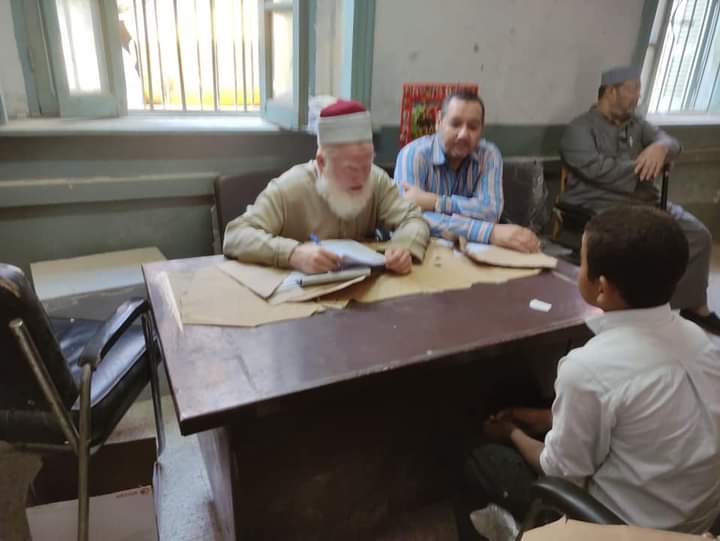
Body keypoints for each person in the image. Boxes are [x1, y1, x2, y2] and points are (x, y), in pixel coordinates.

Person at [462, 207, 720, 536]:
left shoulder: (588, 368)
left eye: (581, 263)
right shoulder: (701, 342)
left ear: (601, 288)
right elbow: (644, 413)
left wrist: (511, 432)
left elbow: (560, 474)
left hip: (621, 530)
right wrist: (546, 418)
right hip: (695, 525)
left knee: (479, 457)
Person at [559, 65, 719, 334]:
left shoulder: (637, 124)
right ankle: (638, 313)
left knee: (698, 235)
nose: (638, 97)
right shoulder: (580, 128)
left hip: (645, 202)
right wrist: (644, 166)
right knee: (643, 247)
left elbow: (672, 143)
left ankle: (691, 306)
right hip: (600, 202)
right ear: (611, 91)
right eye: (633, 89)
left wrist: (660, 148)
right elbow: (596, 170)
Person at [223, 99, 430, 274]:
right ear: (322, 162)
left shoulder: (376, 180)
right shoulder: (290, 188)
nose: (361, 178)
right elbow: (237, 235)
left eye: (367, 165)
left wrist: (403, 248)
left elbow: (413, 219)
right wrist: (292, 254)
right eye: (351, 169)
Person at [393, 91, 540, 253]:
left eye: (473, 127)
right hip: (425, 250)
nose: (463, 134)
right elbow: (408, 217)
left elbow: (490, 212)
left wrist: (435, 202)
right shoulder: (413, 155)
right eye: (455, 124)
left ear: (482, 128)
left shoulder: (488, 155)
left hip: (473, 252)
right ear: (439, 121)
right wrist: (489, 233)